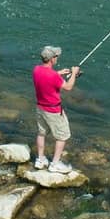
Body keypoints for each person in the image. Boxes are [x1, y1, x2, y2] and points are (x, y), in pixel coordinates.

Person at [33, 45, 78, 174]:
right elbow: (68, 87)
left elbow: (47, 76)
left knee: (41, 133)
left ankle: (40, 160)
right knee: (62, 136)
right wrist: (74, 74)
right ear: (52, 59)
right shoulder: (54, 76)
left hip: (40, 108)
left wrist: (58, 73)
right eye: (56, 56)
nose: (57, 57)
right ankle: (55, 164)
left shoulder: (36, 70)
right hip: (53, 111)